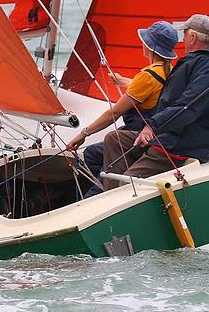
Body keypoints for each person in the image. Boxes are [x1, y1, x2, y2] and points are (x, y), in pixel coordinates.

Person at [101, 14, 209, 188]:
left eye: (185, 35)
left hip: (181, 145)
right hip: (169, 135)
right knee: (115, 139)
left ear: (193, 37)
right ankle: (110, 195)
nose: (184, 40)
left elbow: (187, 107)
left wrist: (152, 125)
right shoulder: (201, 62)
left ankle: (119, 197)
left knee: (129, 183)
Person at [66, 21, 177, 193]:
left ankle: (96, 196)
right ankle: (101, 186)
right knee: (93, 153)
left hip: (136, 137)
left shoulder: (146, 77)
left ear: (149, 47)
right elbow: (152, 88)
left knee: (94, 155)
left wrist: (83, 134)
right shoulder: (168, 70)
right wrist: (125, 81)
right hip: (153, 134)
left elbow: (115, 112)